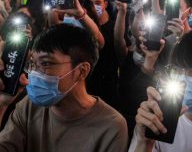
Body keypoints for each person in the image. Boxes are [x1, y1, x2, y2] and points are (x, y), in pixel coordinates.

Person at [0, 24, 128, 151]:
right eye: (32, 64)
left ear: (81, 71)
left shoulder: (111, 126)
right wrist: (2, 105)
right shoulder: (28, 106)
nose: (34, 73)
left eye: (45, 63)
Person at [86, 0, 120, 110]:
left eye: (98, 3)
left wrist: (122, 12)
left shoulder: (114, 26)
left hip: (107, 86)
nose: (94, 7)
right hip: (87, 86)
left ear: (105, 4)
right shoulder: (81, 27)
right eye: (90, 3)